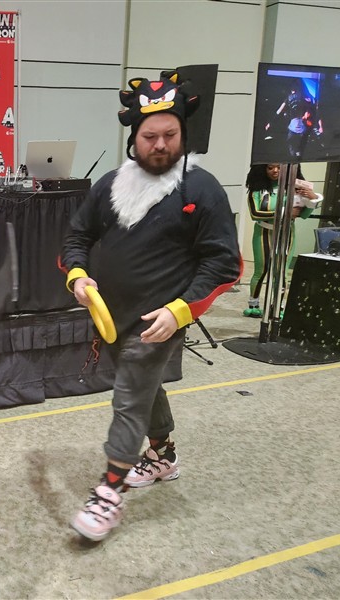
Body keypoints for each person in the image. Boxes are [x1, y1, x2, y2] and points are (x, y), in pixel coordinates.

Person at [60, 71, 241, 542]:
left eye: (170, 135)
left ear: (183, 133)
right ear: (134, 137)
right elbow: (76, 238)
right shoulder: (109, 185)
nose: (160, 145)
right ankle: (163, 455)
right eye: (150, 136)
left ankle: (109, 492)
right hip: (110, 317)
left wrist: (181, 310)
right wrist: (77, 276)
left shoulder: (202, 189)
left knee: (129, 397)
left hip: (160, 319)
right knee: (145, 387)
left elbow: (224, 264)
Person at [243, 163, 322, 317]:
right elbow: (255, 214)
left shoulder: (295, 189)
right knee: (261, 270)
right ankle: (253, 304)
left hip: (286, 232)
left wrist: (313, 199)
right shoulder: (257, 190)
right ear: (263, 169)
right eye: (270, 167)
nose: (275, 171)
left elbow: (303, 215)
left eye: (279, 167)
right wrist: (286, 212)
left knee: (281, 273)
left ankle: (278, 307)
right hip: (263, 231)